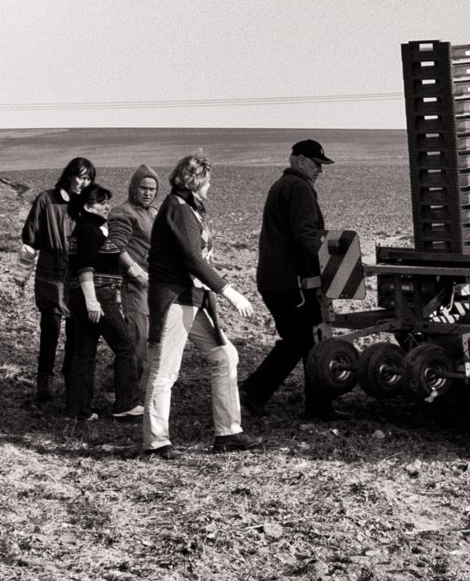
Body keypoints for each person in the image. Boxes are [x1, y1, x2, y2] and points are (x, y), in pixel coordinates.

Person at [141, 152, 259, 454]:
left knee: (224, 356)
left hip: (190, 299)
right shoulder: (179, 210)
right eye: (207, 181)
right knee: (164, 371)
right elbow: (192, 259)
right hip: (175, 299)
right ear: (195, 181)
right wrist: (230, 292)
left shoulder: (185, 209)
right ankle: (155, 442)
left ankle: (228, 432)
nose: (210, 187)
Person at [241, 138, 340, 422]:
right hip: (292, 283)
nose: (320, 170)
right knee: (301, 339)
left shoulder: (282, 186)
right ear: (298, 160)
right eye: (316, 164)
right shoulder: (299, 188)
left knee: (305, 341)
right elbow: (306, 236)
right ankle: (254, 391)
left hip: (276, 280)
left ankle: (318, 407)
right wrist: (325, 271)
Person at [61, 183, 141, 423]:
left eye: (108, 202)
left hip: (83, 298)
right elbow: (84, 267)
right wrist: (93, 301)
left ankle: (77, 410)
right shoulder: (88, 230)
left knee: (84, 353)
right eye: (102, 202)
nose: (107, 206)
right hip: (98, 297)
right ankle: (126, 404)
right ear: (88, 206)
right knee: (125, 347)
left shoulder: (88, 229)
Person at [19, 157, 96, 404]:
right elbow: (31, 239)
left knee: (75, 331)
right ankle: (44, 382)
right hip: (50, 275)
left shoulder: (89, 204)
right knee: (50, 330)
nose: (82, 183)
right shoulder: (46, 200)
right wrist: (21, 275)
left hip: (77, 276)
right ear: (69, 175)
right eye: (79, 176)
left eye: (87, 178)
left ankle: (69, 378)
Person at [106, 165, 160, 353]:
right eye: (143, 188)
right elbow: (115, 246)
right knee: (138, 336)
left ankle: (140, 380)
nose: (147, 193)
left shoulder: (153, 213)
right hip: (136, 285)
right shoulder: (123, 212)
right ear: (134, 187)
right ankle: (128, 381)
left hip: (156, 284)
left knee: (152, 338)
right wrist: (136, 272)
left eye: (152, 189)